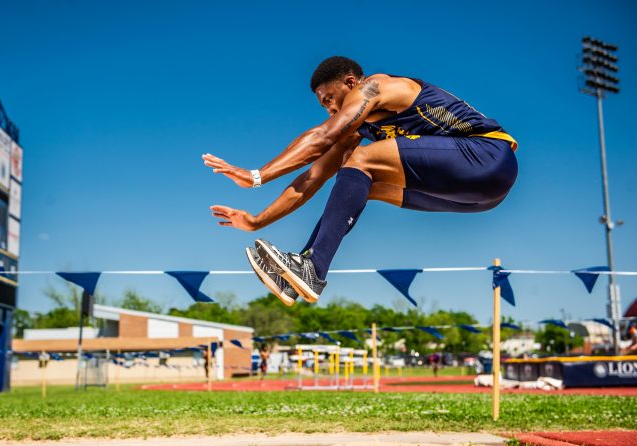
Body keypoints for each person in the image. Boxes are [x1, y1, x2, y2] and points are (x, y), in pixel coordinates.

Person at [205, 56, 518, 304]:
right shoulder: (358, 129)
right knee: (362, 185)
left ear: (351, 83)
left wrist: (256, 176)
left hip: (488, 156)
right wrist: (257, 221)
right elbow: (312, 177)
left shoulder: (377, 87)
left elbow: (321, 136)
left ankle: (313, 269)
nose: (329, 109)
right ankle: (301, 268)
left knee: (361, 160)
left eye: (330, 99)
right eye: (323, 105)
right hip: (483, 198)